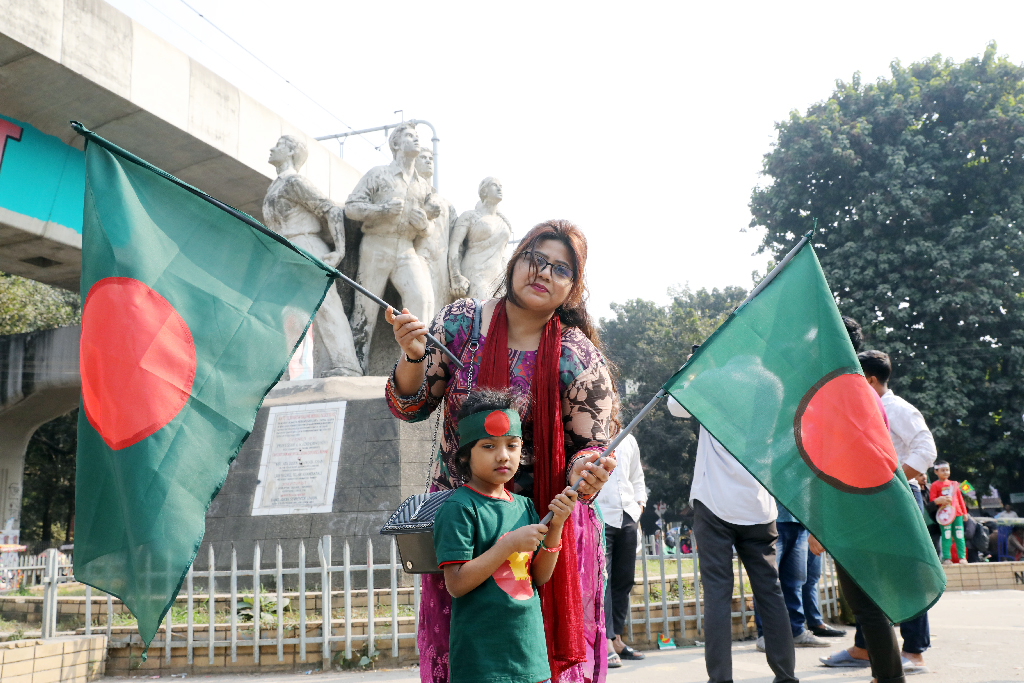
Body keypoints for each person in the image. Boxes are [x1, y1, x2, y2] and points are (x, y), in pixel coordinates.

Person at [385, 219, 617, 683]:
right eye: (536, 258)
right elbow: (409, 406)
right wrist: (412, 353)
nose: (544, 273)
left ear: (572, 290)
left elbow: (587, 448)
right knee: (463, 660)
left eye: (561, 269)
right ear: (515, 261)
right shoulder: (460, 324)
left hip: (541, 532)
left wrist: (588, 470)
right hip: (463, 529)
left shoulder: (577, 357)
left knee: (536, 661)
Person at [434, 389, 578, 683]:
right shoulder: (459, 507)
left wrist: (557, 527)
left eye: (512, 446)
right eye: (488, 446)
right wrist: (509, 544)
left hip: (528, 651)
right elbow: (457, 584)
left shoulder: (524, 505)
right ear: (464, 455)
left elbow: (537, 577)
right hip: (481, 659)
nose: (503, 456)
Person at [821, 349, 935, 679]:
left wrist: (896, 480)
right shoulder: (867, 406)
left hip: (895, 499)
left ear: (870, 380)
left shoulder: (895, 408)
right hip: (875, 501)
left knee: (904, 576)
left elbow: (926, 448)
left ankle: (913, 650)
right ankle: (864, 648)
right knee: (869, 578)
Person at [667, 396, 798, 683]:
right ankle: (787, 676)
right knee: (771, 593)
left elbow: (675, 406)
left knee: (717, 594)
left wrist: (693, 366)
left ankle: (721, 679)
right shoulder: (772, 385)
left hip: (715, 501)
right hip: (758, 503)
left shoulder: (711, 378)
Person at [263, 135, 361, 377]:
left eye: (278, 145)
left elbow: (331, 210)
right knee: (276, 310)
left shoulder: (294, 182)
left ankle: (346, 365)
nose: (272, 148)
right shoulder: (275, 185)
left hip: (306, 245)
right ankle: (279, 372)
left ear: (291, 152)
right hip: (284, 251)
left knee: (326, 306)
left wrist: (339, 250)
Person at [345, 122, 439, 372]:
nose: (416, 140)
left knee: (420, 298)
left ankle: (413, 366)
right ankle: (358, 367)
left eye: (417, 136)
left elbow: (429, 229)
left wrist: (423, 226)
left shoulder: (423, 185)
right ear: (395, 144)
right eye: (409, 136)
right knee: (365, 309)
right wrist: (381, 210)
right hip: (377, 246)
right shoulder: (379, 174)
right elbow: (351, 207)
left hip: (406, 248)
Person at [593, 432, 647, 668]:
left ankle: (616, 639)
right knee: (601, 580)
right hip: (599, 513)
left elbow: (637, 477)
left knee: (624, 579)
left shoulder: (629, 438)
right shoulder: (588, 436)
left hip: (627, 514)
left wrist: (640, 504)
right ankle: (603, 640)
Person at [928, 461, 969, 565]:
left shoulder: (954, 484)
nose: (945, 472)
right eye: (942, 470)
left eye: (947, 470)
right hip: (944, 515)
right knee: (946, 536)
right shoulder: (934, 485)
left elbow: (960, 499)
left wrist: (964, 512)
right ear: (936, 471)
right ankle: (947, 558)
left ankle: (962, 557)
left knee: (959, 535)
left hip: (957, 514)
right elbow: (932, 499)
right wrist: (940, 500)